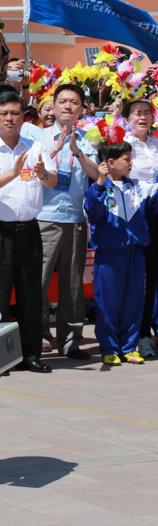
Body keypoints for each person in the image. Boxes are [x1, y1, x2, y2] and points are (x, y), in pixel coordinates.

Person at [0, 90, 57, 373]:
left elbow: (53, 181)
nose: (9, 118)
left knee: (31, 294)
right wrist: (12, 174)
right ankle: (0, 357)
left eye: (15, 113)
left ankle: (31, 354)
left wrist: (43, 173)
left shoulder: (35, 147)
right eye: (3, 113)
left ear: (23, 117)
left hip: (29, 229)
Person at [36, 83, 99, 359]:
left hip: (74, 218)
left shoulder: (88, 139)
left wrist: (76, 151)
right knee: (38, 281)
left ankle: (71, 341)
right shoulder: (37, 137)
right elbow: (30, 170)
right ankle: (36, 337)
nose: (68, 106)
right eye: (63, 101)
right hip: (42, 218)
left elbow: (97, 175)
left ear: (82, 109)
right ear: (54, 104)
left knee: (72, 284)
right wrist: (57, 148)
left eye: (74, 102)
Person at [84, 140, 158, 365]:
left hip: (135, 253)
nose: (131, 163)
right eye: (126, 159)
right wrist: (99, 181)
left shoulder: (138, 188)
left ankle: (129, 347)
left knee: (133, 301)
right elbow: (93, 213)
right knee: (108, 302)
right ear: (110, 163)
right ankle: (109, 348)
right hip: (109, 254)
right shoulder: (98, 190)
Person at [124, 99, 158, 357]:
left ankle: (147, 332)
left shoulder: (156, 144)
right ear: (127, 117)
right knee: (137, 279)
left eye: (148, 112)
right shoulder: (122, 144)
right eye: (137, 113)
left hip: (156, 214)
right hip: (132, 215)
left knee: (153, 276)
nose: (143, 117)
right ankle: (135, 335)